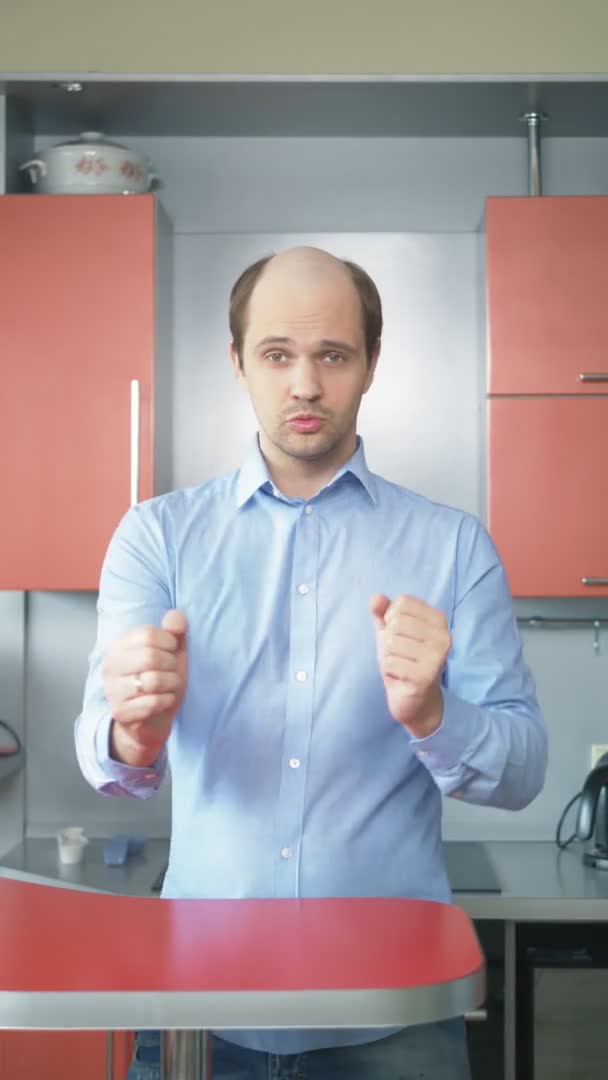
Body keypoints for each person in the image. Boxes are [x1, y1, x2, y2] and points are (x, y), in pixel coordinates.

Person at [75, 246, 547, 1079]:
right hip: (200, 1008)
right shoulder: (157, 536)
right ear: (238, 363)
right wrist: (132, 734)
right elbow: (101, 748)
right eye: (277, 354)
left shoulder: (453, 547)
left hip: (394, 1017)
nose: (304, 384)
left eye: (333, 355)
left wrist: (436, 718)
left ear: (370, 366)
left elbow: (523, 769)